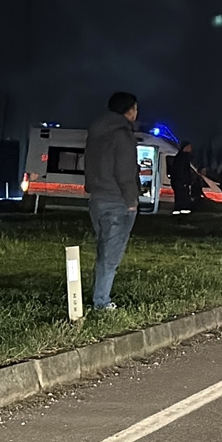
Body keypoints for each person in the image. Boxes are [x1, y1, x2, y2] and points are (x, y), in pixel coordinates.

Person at [83, 91, 141, 310]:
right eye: (135, 108)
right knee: (111, 256)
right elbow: (125, 172)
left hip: (97, 199)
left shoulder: (96, 133)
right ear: (129, 110)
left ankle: (100, 296)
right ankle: (102, 302)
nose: (136, 113)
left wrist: (92, 187)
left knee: (103, 250)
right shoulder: (122, 135)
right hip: (117, 201)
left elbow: (89, 164)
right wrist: (131, 200)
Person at [169, 141, 196, 215]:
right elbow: (181, 171)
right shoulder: (182, 158)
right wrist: (185, 181)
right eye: (189, 147)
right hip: (181, 182)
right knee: (183, 197)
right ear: (185, 147)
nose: (191, 149)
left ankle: (179, 211)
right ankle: (182, 212)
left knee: (180, 198)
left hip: (179, 182)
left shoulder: (180, 157)